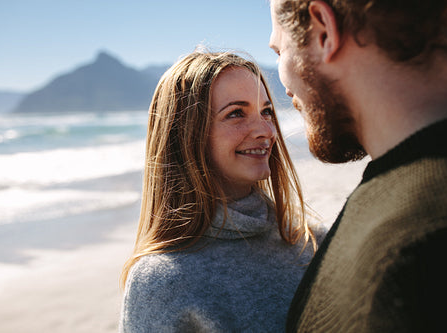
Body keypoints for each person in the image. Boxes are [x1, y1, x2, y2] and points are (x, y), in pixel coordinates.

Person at [268, 0, 447, 332]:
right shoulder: (403, 192)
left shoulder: (411, 259)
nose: (284, 86)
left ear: (324, 29)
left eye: (280, 52)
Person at [119, 50, 325, 332]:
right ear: (187, 136)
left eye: (266, 111)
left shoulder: (313, 243)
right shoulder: (161, 281)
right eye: (236, 113)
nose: (266, 130)